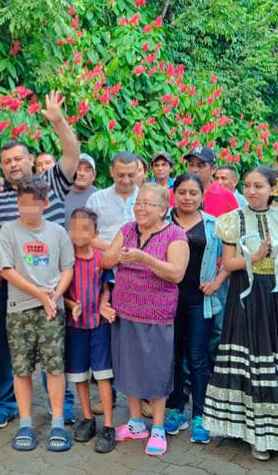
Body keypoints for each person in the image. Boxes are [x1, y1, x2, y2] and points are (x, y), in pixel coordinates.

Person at [0, 90, 80, 429]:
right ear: (1, 167)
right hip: (12, 285)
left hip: (53, 281)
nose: (13, 164)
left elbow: (72, 155)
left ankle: (63, 406)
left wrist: (58, 120)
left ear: (31, 160)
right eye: (7, 161)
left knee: (57, 345)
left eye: (18, 158)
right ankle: (4, 404)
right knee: (6, 346)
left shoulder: (51, 184)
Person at [203, 166, 278, 461]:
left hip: (277, 299)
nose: (252, 191)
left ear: (272, 189)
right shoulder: (234, 220)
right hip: (245, 298)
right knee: (250, 361)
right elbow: (229, 264)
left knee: (276, 360)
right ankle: (252, 432)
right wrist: (253, 258)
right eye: (247, 186)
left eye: (258, 186)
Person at [102, 183, 189, 456]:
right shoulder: (127, 230)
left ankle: (159, 428)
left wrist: (142, 257)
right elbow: (106, 260)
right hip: (125, 311)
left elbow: (176, 274)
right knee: (129, 368)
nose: (140, 207)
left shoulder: (176, 234)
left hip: (156, 314)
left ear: (163, 209)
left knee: (156, 371)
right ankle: (136, 423)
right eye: (138, 202)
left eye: (147, 203)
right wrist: (119, 255)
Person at [0, 176, 75, 452]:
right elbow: (7, 270)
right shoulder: (8, 231)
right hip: (19, 310)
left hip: (52, 311)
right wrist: (40, 294)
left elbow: (67, 269)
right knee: (21, 370)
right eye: (21, 204)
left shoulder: (58, 232)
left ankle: (57, 423)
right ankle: (25, 424)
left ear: (45, 203)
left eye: (33, 205)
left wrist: (54, 295)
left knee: (54, 368)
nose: (27, 210)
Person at [164, 174, 228, 444]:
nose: (187, 197)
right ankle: (177, 410)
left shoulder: (214, 225)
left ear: (202, 196)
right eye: (182, 192)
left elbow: (229, 259)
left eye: (193, 193)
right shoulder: (162, 221)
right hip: (167, 299)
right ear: (174, 194)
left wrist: (217, 281)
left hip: (199, 301)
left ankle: (201, 416)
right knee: (173, 358)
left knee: (198, 358)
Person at [63, 208, 116, 453]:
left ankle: (107, 424)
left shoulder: (101, 258)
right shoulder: (66, 258)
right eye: (74, 227)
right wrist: (72, 305)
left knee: (103, 374)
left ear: (95, 232)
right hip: (75, 327)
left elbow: (107, 287)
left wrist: (105, 303)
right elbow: (61, 291)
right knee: (79, 374)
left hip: (99, 326)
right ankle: (87, 417)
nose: (79, 233)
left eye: (85, 228)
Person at [86, 151, 140, 250]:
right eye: (121, 175)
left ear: (137, 172)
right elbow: (86, 236)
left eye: (131, 175)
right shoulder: (96, 199)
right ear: (111, 171)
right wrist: (117, 250)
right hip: (103, 259)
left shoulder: (147, 200)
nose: (126, 181)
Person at [184, 146, 239, 217]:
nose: (194, 170)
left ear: (213, 169)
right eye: (191, 165)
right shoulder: (176, 193)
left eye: (200, 166)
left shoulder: (227, 196)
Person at [63, 153, 97, 223]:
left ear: (94, 175)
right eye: (78, 169)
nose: (81, 173)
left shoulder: (100, 198)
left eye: (87, 170)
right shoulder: (59, 195)